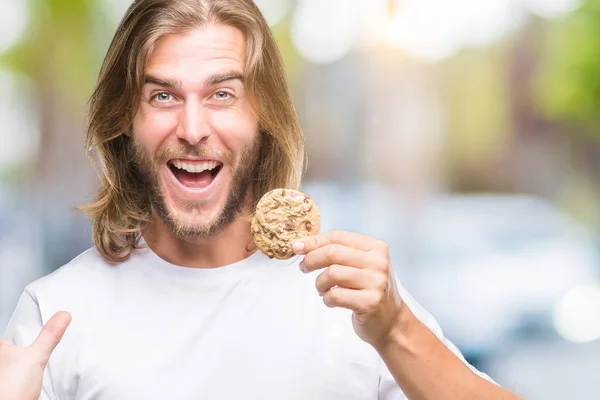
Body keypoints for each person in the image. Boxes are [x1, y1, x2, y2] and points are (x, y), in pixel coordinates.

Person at [0, 1, 522, 399]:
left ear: (264, 118)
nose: (193, 128)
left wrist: (396, 330)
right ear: (123, 120)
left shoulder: (353, 303)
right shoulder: (54, 317)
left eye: (222, 94)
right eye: (162, 95)